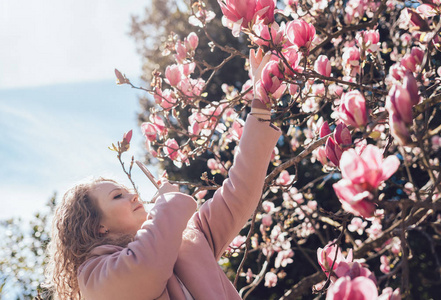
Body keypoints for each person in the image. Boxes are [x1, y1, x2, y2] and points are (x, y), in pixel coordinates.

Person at [45, 53, 280, 300]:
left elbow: (239, 192)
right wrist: (167, 203)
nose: (133, 195)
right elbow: (145, 265)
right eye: (117, 196)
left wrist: (261, 103)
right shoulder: (95, 278)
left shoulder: (188, 236)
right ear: (98, 225)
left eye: (126, 191)